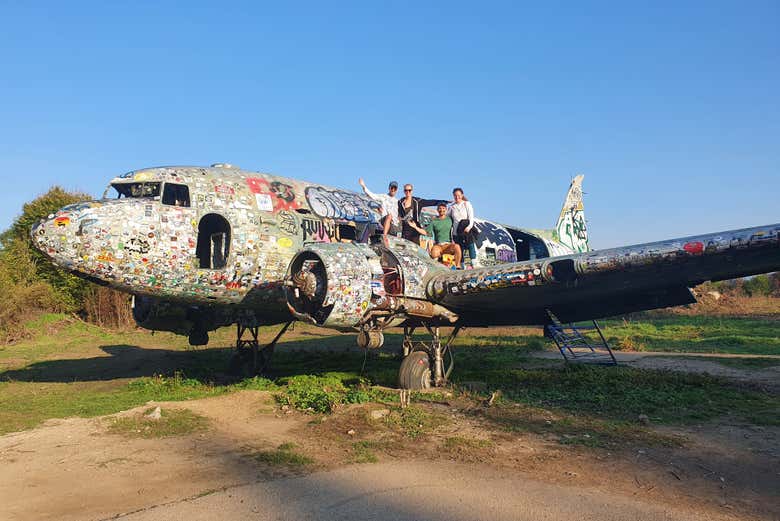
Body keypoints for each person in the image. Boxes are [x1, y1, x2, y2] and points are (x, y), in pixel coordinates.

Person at [449, 187, 479, 268]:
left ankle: (474, 263)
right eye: (455, 195)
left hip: (466, 229)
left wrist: (469, 227)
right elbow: (448, 218)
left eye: (458, 195)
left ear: (462, 195)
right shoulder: (452, 207)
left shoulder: (466, 204)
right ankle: (462, 265)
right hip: (456, 231)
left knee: (470, 244)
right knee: (459, 248)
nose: (457, 197)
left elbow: (471, 217)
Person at [426, 202, 462, 268]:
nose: (441, 210)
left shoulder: (450, 219)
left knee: (457, 247)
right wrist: (415, 227)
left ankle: (458, 266)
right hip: (438, 245)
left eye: (443, 208)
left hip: (448, 245)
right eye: (439, 208)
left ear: (446, 209)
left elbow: (458, 215)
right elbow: (426, 232)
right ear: (437, 210)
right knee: (434, 253)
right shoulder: (434, 221)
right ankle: (437, 264)